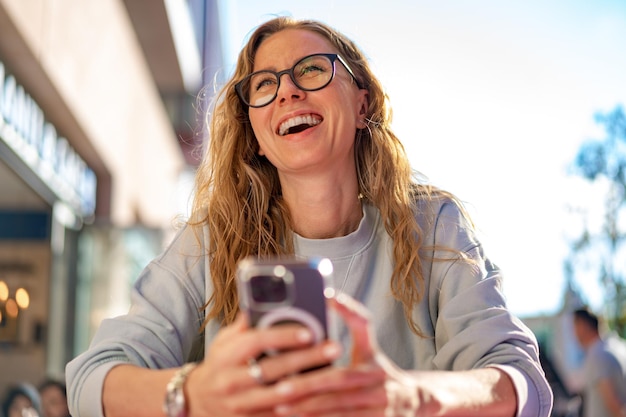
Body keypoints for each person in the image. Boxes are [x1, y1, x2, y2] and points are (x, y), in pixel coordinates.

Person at [66, 16, 553, 417]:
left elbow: (521, 383)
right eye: (265, 83)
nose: (287, 92)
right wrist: (192, 394)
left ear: (362, 102)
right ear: (255, 133)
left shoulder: (433, 225)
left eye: (313, 70)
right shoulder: (210, 241)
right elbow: (92, 378)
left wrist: (411, 396)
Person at [572, 307, 626, 417]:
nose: (574, 334)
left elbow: (613, 404)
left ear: (582, 325)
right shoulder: (618, 346)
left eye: (574, 327)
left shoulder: (597, 355)